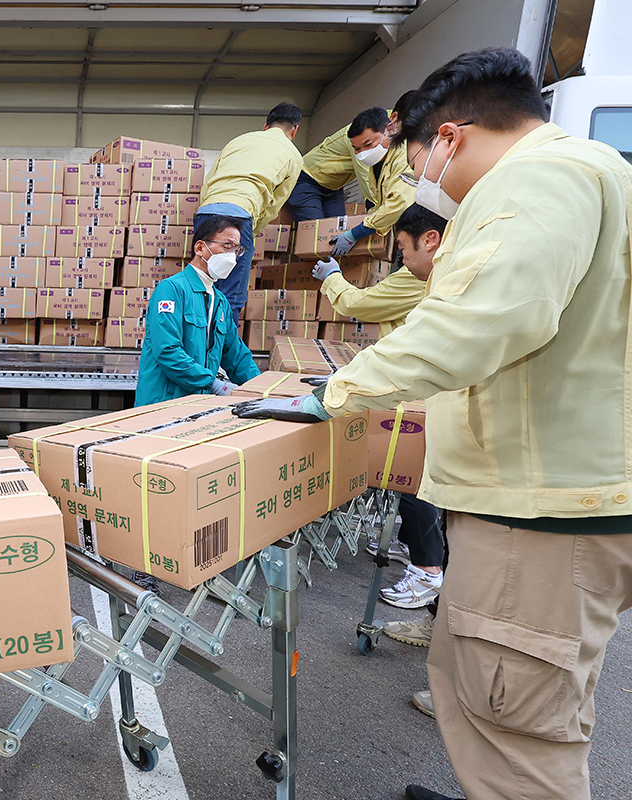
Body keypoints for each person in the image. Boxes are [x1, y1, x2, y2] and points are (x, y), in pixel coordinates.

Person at [232, 47, 632, 800]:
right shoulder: (607, 174)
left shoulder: (534, 183)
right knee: (496, 687)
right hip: (576, 500)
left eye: (415, 163)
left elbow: (469, 327)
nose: (421, 186)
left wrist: (333, 395)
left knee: (521, 734)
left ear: (447, 137)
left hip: (538, 514)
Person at [313, 204, 448, 614]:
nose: (402, 259)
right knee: (411, 475)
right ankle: (417, 549)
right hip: (423, 389)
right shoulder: (440, 271)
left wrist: (333, 279)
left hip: (420, 390)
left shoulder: (425, 276)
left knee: (409, 474)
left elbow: (361, 305)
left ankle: (427, 568)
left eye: (403, 248)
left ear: (430, 240)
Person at [135, 214, 262, 408]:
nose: (232, 256)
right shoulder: (172, 290)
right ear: (200, 248)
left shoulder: (220, 301)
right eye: (227, 246)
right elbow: (167, 350)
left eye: (237, 249)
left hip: (199, 404)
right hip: (164, 403)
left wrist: (263, 388)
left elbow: (234, 354)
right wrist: (212, 383)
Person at [194, 102, 303, 326]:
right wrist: (252, 230)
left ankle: (193, 351)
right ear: (295, 130)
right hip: (240, 216)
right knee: (231, 295)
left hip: (206, 212)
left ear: (265, 126)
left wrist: (206, 215)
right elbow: (276, 202)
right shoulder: (293, 155)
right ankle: (221, 358)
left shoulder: (239, 140)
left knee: (199, 288)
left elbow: (209, 181)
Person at [287, 91, 416, 224]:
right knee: (316, 230)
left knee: (334, 230)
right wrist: (378, 212)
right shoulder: (365, 135)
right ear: (394, 118)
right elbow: (366, 176)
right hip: (307, 180)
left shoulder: (389, 133)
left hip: (333, 186)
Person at [328, 105, 417, 257]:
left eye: (368, 145)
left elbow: (400, 202)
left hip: (421, 229)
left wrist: (357, 233)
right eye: (356, 149)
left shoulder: (403, 156)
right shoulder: (378, 161)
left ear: (389, 130)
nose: (363, 153)